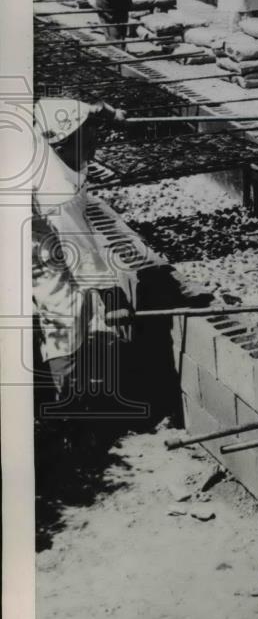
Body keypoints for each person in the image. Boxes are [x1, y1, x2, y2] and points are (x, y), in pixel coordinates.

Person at [32, 99, 133, 404]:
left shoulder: (52, 128)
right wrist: (113, 294)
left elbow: (57, 106)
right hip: (27, 235)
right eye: (87, 139)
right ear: (62, 145)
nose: (95, 145)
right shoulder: (57, 192)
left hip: (38, 219)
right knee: (64, 307)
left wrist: (108, 113)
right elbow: (82, 252)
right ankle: (68, 404)